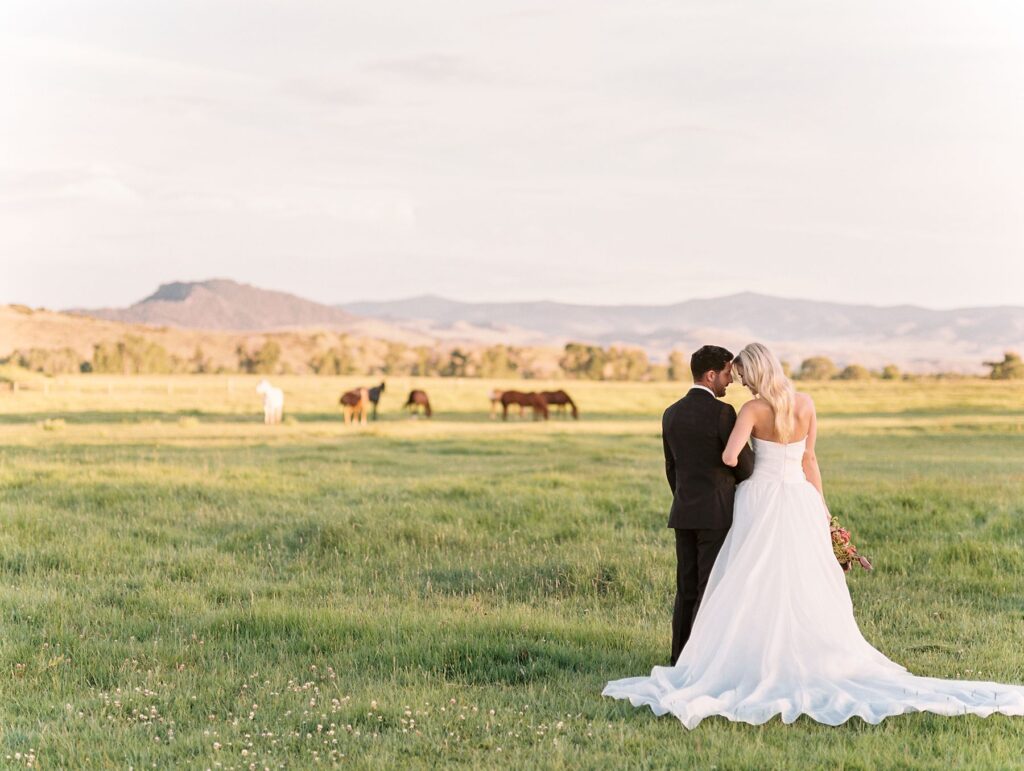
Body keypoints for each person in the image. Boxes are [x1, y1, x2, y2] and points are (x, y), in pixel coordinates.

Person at [603, 342, 1024, 727]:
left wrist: (738, 460)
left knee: (747, 580)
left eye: (745, 375)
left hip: (760, 499)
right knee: (802, 581)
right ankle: (805, 654)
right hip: (800, 500)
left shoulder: (750, 410)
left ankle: (736, 655)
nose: (742, 381)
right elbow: (810, 460)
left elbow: (731, 455)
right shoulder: (805, 404)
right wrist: (822, 510)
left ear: (756, 373)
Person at [662, 345, 754, 665]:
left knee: (685, 589)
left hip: (683, 512)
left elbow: (671, 468)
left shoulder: (670, 412)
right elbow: (743, 465)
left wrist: (685, 497)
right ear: (711, 375)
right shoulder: (722, 413)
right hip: (716, 514)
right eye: (728, 373)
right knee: (709, 588)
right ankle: (700, 661)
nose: (731, 380)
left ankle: (678, 658)